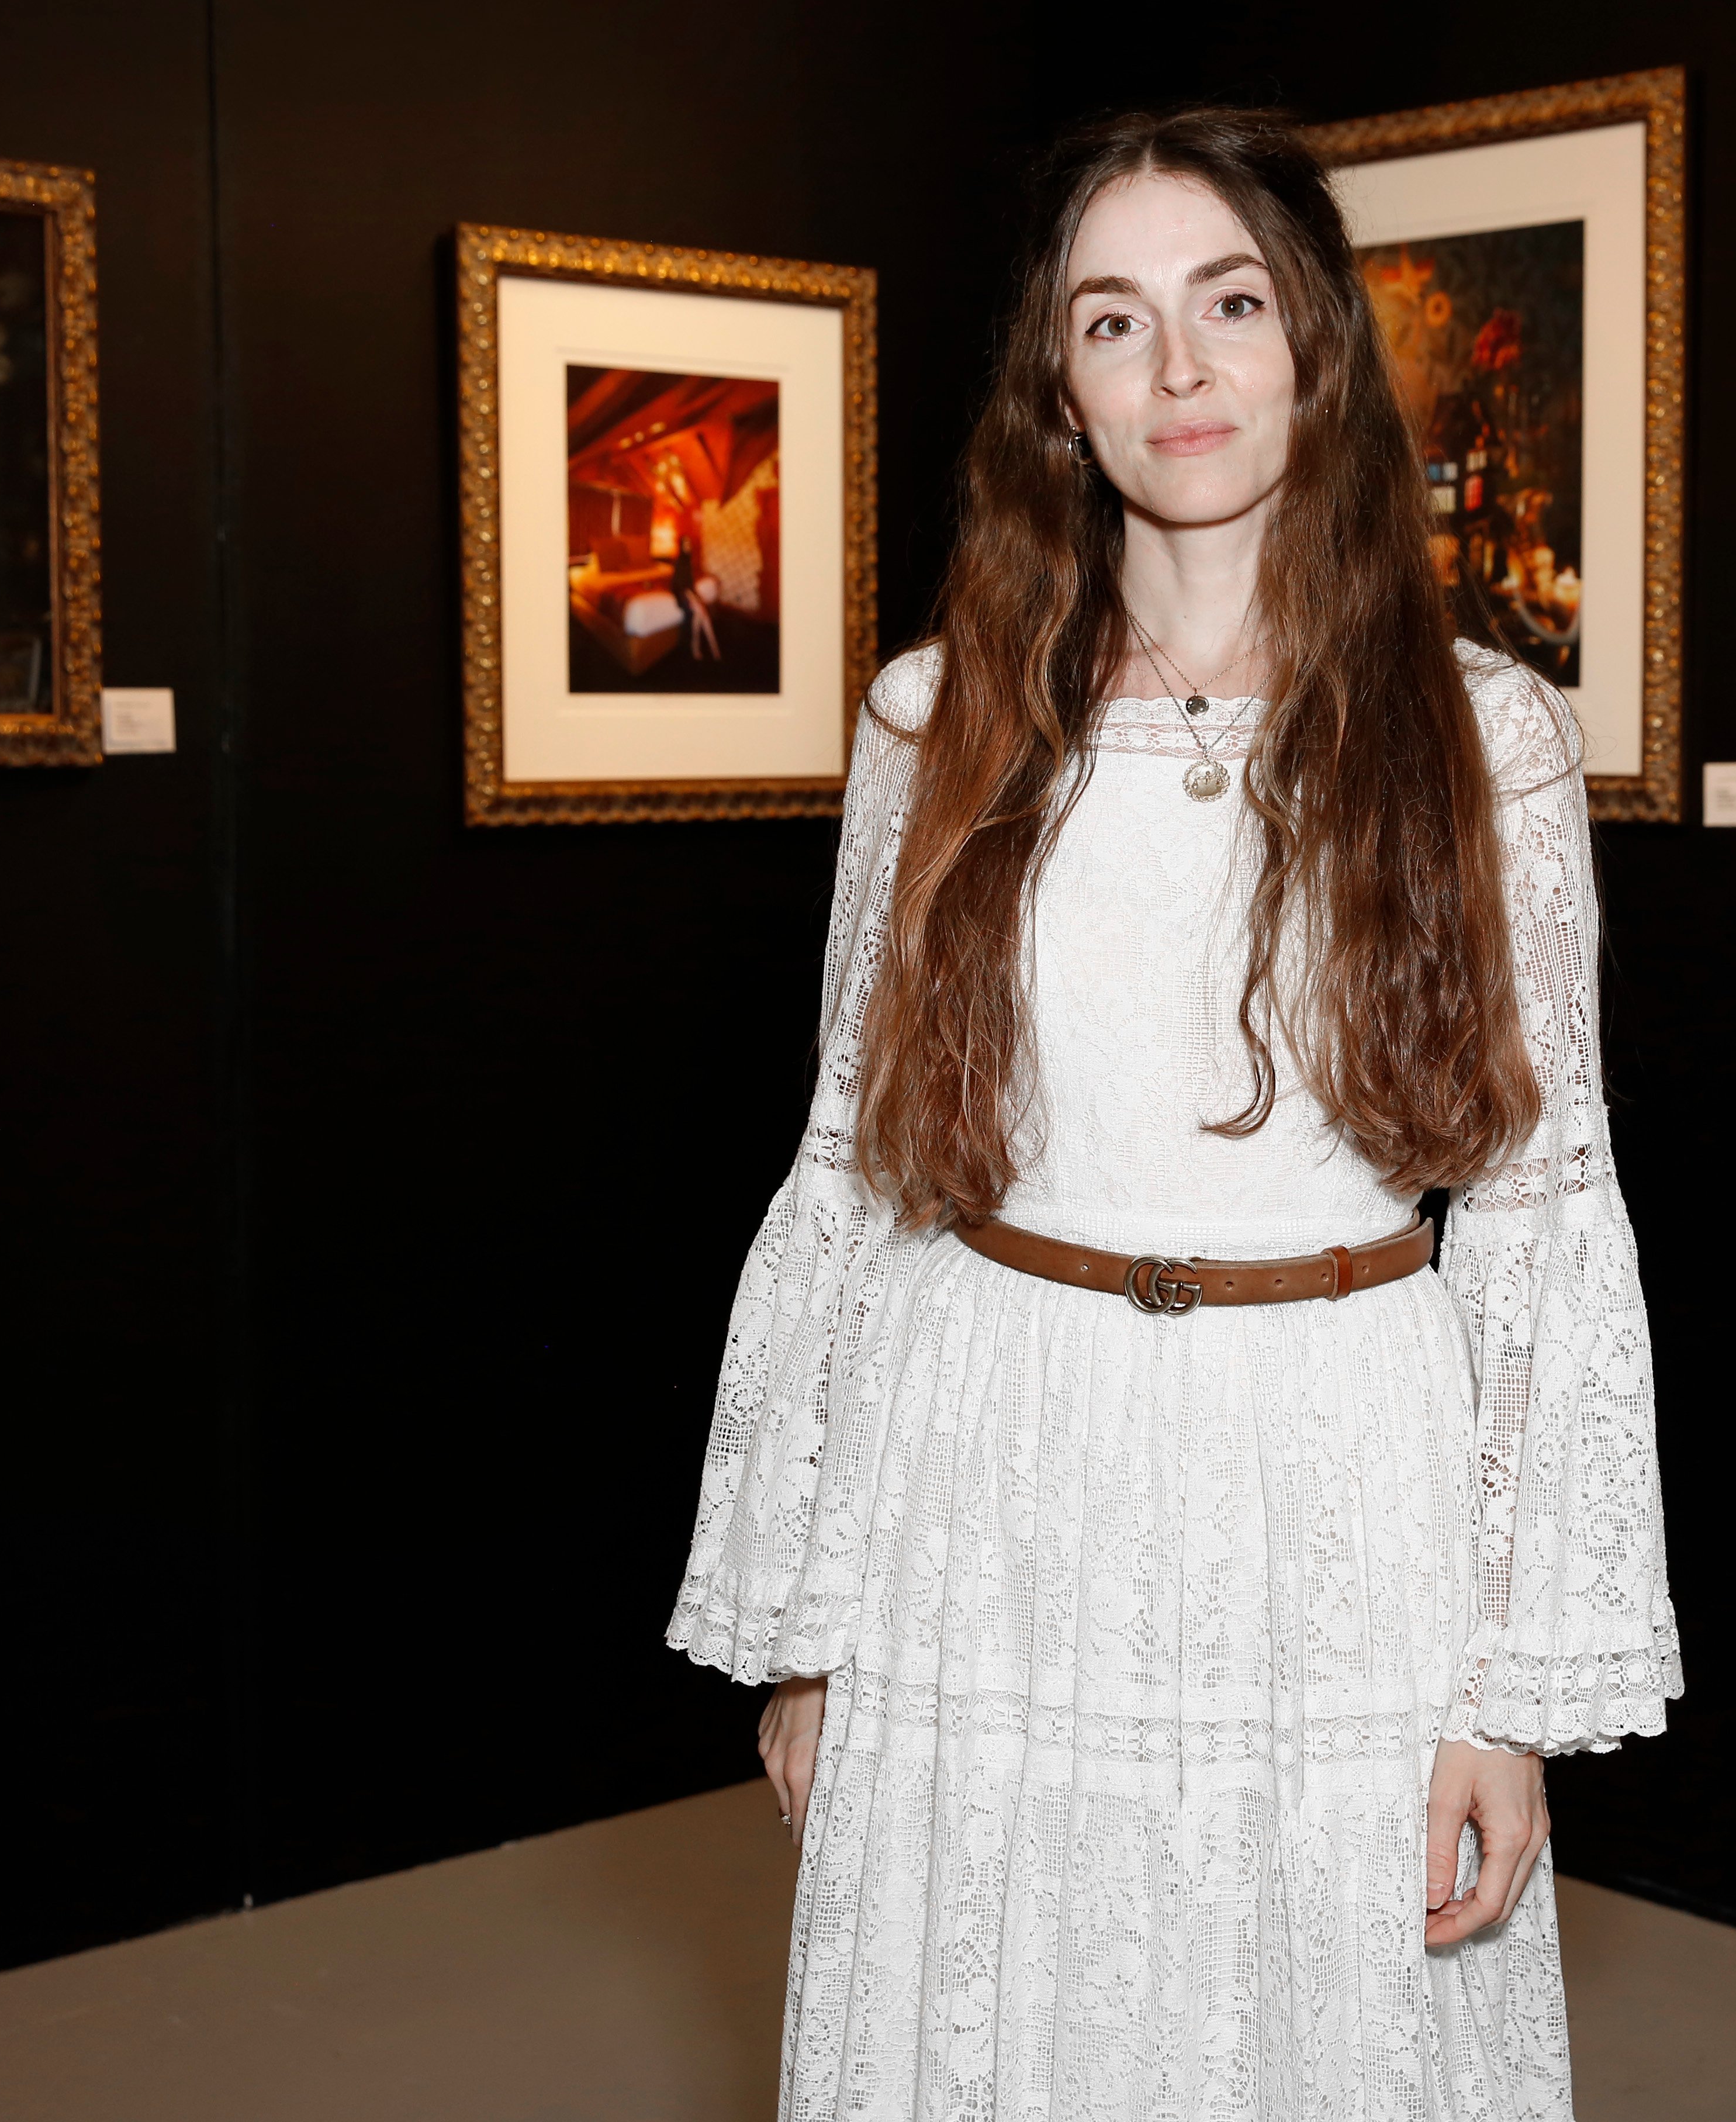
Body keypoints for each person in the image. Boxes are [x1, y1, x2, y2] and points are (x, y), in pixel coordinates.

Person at [668, 106, 1676, 2120]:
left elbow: (1551, 1212)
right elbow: (860, 1174)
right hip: (994, 1474)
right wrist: (814, 1625)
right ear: (1063, 384)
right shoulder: (925, 716)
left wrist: (1506, 1699)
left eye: (1228, 305)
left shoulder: (1486, 737)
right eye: (1114, 321)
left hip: (1339, 1494)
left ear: (1313, 341)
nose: (1181, 370)